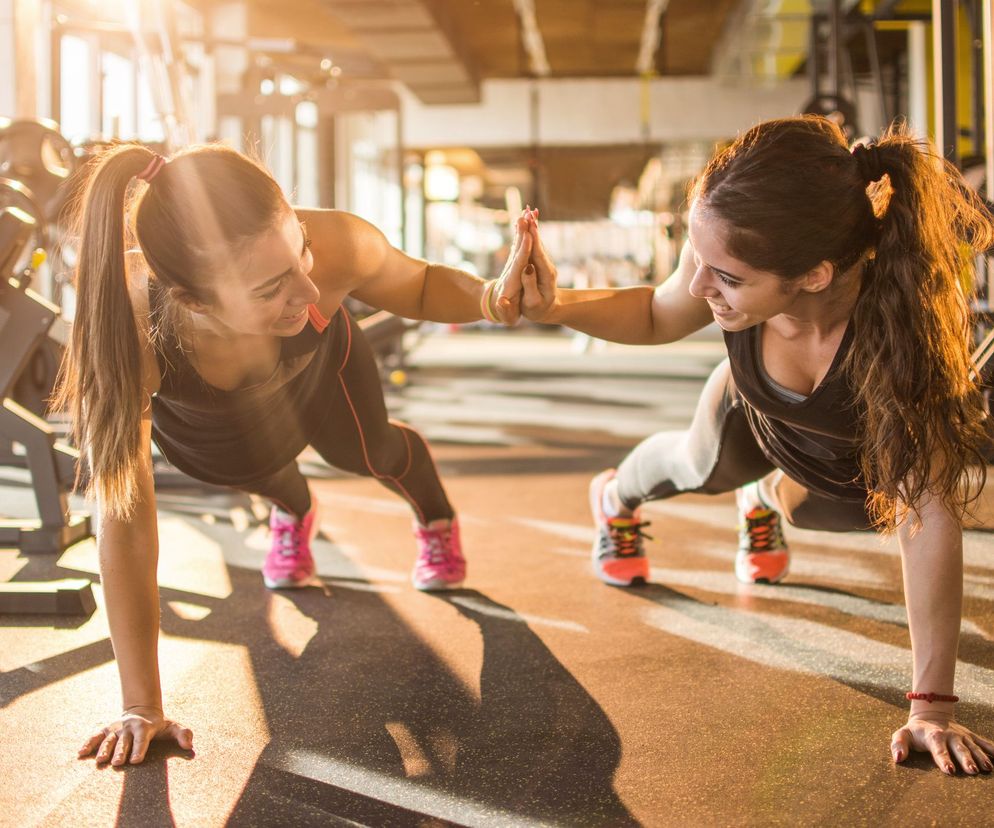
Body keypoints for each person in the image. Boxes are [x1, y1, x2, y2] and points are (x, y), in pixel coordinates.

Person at [515, 116, 994, 775]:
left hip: (846, 461)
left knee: (826, 512)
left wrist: (931, 708)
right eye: (698, 259)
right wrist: (554, 306)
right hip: (754, 411)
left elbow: (928, 510)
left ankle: (765, 499)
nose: (699, 287)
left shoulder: (905, 339)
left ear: (816, 276)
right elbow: (658, 313)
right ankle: (614, 495)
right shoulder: (725, 251)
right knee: (694, 463)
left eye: (728, 279)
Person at [57, 143, 533, 766]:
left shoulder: (332, 248)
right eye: (270, 286)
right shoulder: (125, 318)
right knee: (248, 469)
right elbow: (122, 513)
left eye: (300, 248)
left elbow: (416, 285)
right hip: (213, 429)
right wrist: (141, 703)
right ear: (194, 301)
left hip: (319, 374)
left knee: (371, 451)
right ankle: (294, 511)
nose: (309, 287)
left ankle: (435, 517)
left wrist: (493, 298)